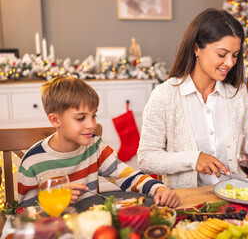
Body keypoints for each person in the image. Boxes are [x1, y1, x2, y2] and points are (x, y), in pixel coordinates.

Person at [137, 8, 248, 189]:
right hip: (188, 202)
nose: (230, 63)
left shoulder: (236, 92)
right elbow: (146, 158)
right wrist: (193, 159)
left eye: (235, 55)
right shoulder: (164, 96)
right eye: (221, 54)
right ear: (196, 48)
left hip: (236, 196)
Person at [18, 76, 180, 208]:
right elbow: (24, 211)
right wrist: (56, 199)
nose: (91, 125)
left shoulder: (95, 147)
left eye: (93, 115)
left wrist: (158, 187)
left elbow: (128, 177)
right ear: (55, 120)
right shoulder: (33, 161)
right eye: (81, 118)